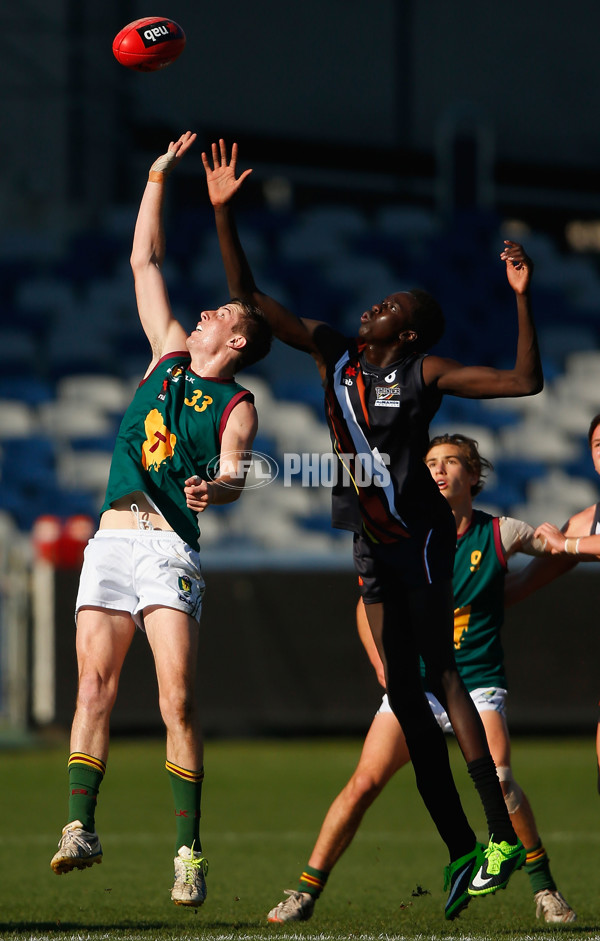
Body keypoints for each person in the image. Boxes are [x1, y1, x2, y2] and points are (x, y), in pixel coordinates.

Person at [204, 140, 544, 919]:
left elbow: (526, 381)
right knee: (401, 688)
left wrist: (521, 295)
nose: (374, 307)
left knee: (442, 677)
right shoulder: (334, 354)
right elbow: (251, 298)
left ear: (413, 331)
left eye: (391, 305)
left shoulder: (423, 373)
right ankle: (463, 845)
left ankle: (496, 834)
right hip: (367, 534)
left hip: (419, 538)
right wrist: (225, 213)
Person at [49, 132, 272, 909]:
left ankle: (188, 851)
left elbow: (239, 471)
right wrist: (154, 174)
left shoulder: (238, 404)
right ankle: (81, 826)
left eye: (220, 313)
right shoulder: (167, 354)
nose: (204, 311)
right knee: (93, 688)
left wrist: (223, 488)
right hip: (111, 538)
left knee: (176, 698)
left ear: (236, 341)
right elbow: (143, 261)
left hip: (169, 547)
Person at [267, 434, 576, 925]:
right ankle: (305, 891)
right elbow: (364, 605)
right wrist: (380, 663)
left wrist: (564, 540)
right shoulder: (403, 536)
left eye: (451, 462)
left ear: (473, 476)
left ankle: (545, 890)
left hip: (475, 681)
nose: (437, 470)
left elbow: (557, 550)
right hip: (417, 683)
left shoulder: (501, 531)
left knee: (499, 776)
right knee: (364, 783)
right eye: (430, 461)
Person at [531, 411, 600, 795]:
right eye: (599, 446)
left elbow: (566, 547)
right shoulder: (588, 521)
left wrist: (566, 545)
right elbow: (534, 575)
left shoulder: (578, 534)